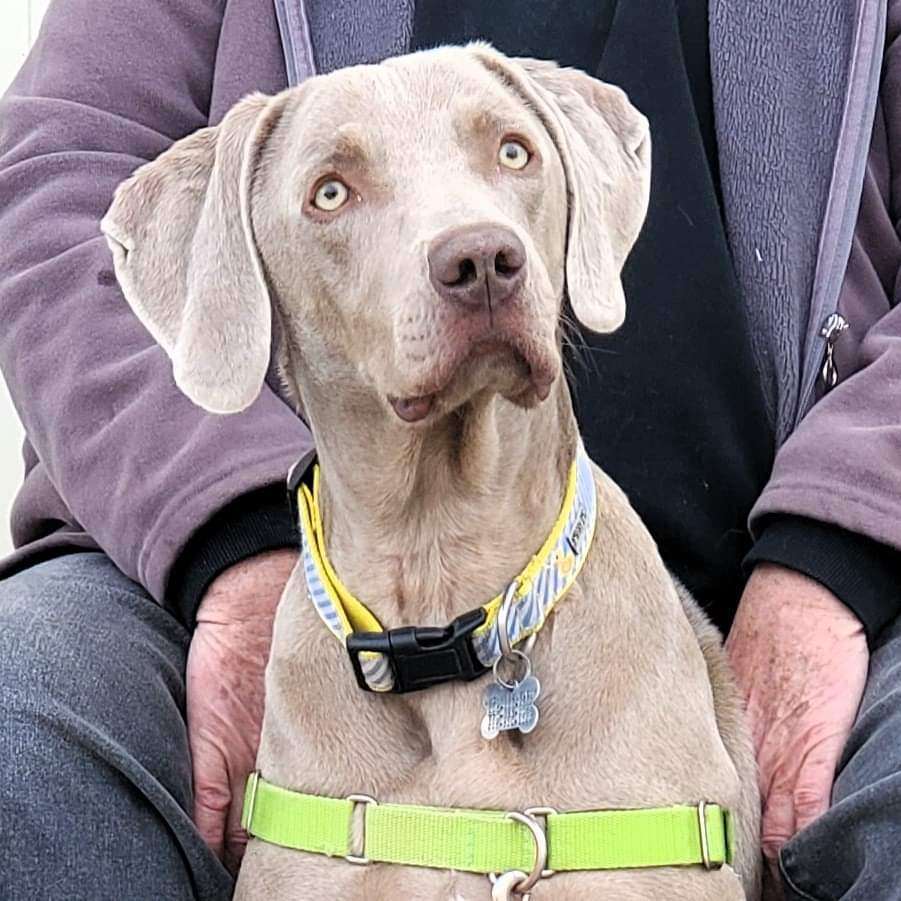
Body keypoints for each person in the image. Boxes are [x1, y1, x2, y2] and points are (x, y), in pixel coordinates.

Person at [0, 1, 898, 898]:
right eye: (333, 189)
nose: (477, 251)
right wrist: (222, 532)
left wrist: (842, 540)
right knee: (20, 715)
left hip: (808, 558)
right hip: (229, 532)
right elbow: (55, 179)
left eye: (510, 153)